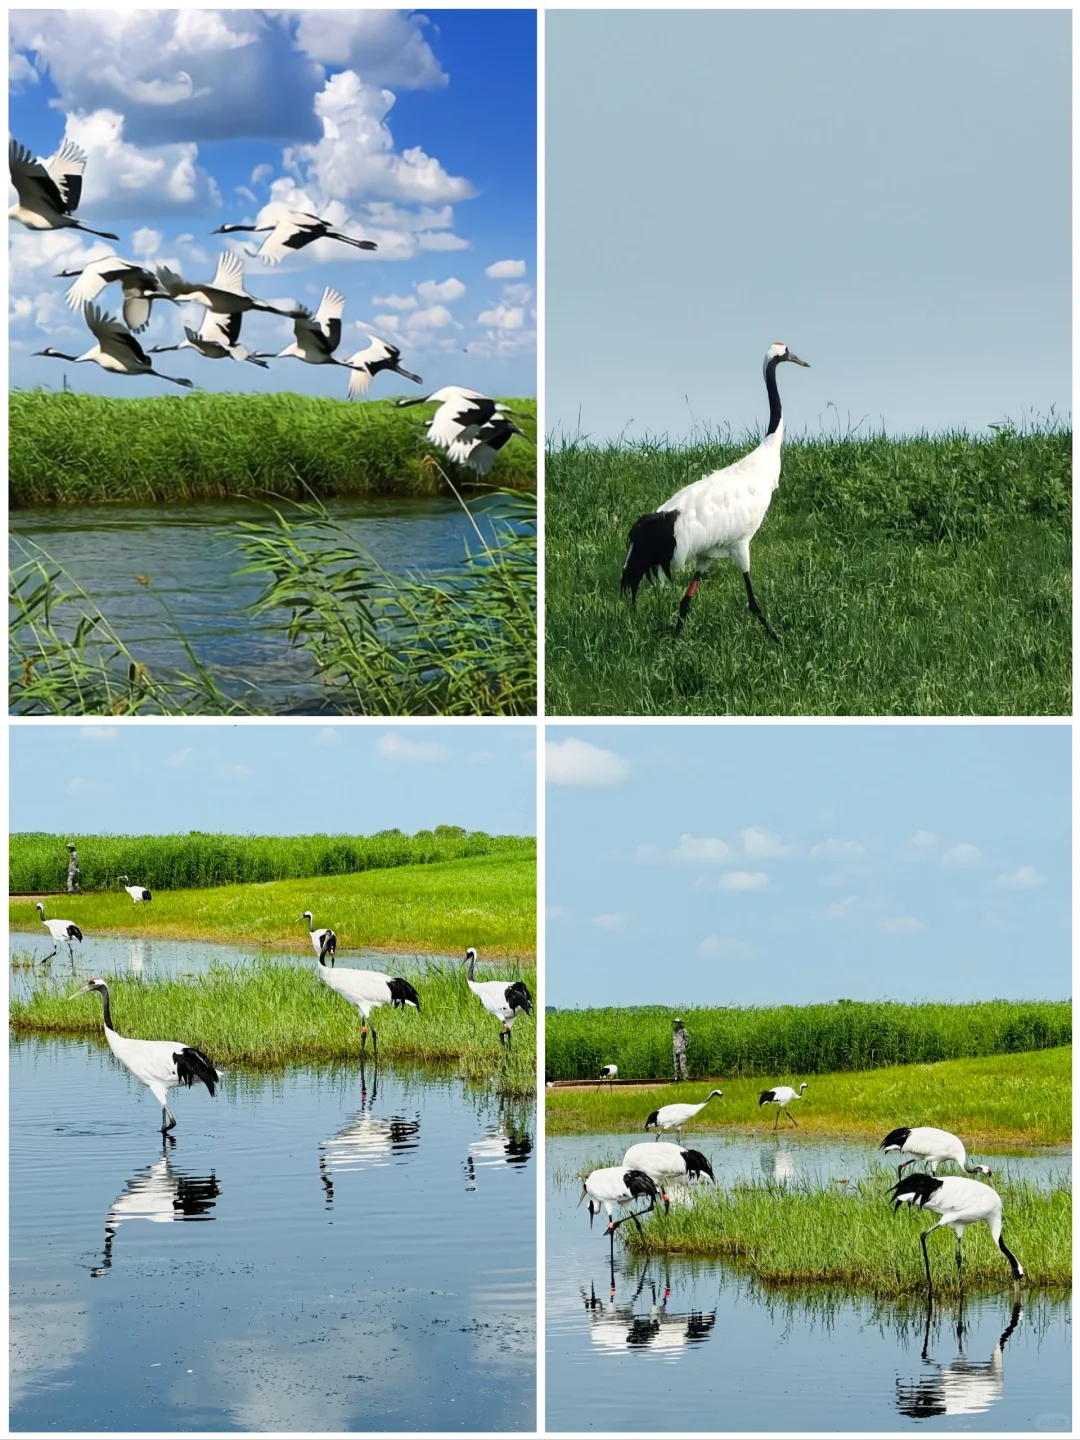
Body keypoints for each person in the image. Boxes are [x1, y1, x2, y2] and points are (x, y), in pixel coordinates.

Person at [673, 1016, 689, 1081]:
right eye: (676, 1022)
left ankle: (685, 1079)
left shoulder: (684, 1031)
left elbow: (687, 1040)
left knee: (683, 1065)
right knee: (676, 1065)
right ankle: (676, 1079)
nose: (676, 1024)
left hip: (682, 1050)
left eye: (678, 1022)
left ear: (680, 1023)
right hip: (675, 1050)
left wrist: (683, 1047)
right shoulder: (674, 1031)